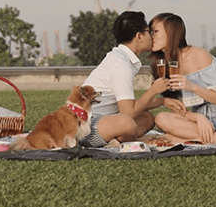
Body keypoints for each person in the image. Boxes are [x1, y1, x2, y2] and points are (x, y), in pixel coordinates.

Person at [79, 11, 186, 148]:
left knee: (147, 118)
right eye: (149, 32)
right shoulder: (120, 65)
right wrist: (153, 90)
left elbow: (127, 105)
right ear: (139, 36)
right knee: (127, 123)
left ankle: (116, 141)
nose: (152, 37)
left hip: (106, 118)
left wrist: (162, 101)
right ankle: (116, 140)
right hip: (87, 126)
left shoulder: (121, 58)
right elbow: (128, 112)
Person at [149, 12, 216, 144]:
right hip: (202, 121)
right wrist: (199, 118)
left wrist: (191, 86)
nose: (151, 37)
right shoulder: (163, 65)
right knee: (161, 119)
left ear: (171, 32)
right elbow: (177, 109)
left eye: (155, 31)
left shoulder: (198, 55)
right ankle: (214, 139)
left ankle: (188, 140)